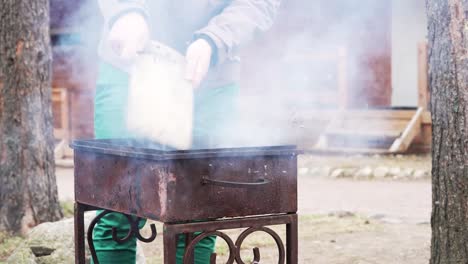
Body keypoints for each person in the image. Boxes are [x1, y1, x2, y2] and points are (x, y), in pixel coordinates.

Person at [93, 0, 280, 263]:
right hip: (129, 67)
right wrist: (126, 12)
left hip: (210, 77)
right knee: (117, 207)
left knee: (199, 213)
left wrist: (213, 39)